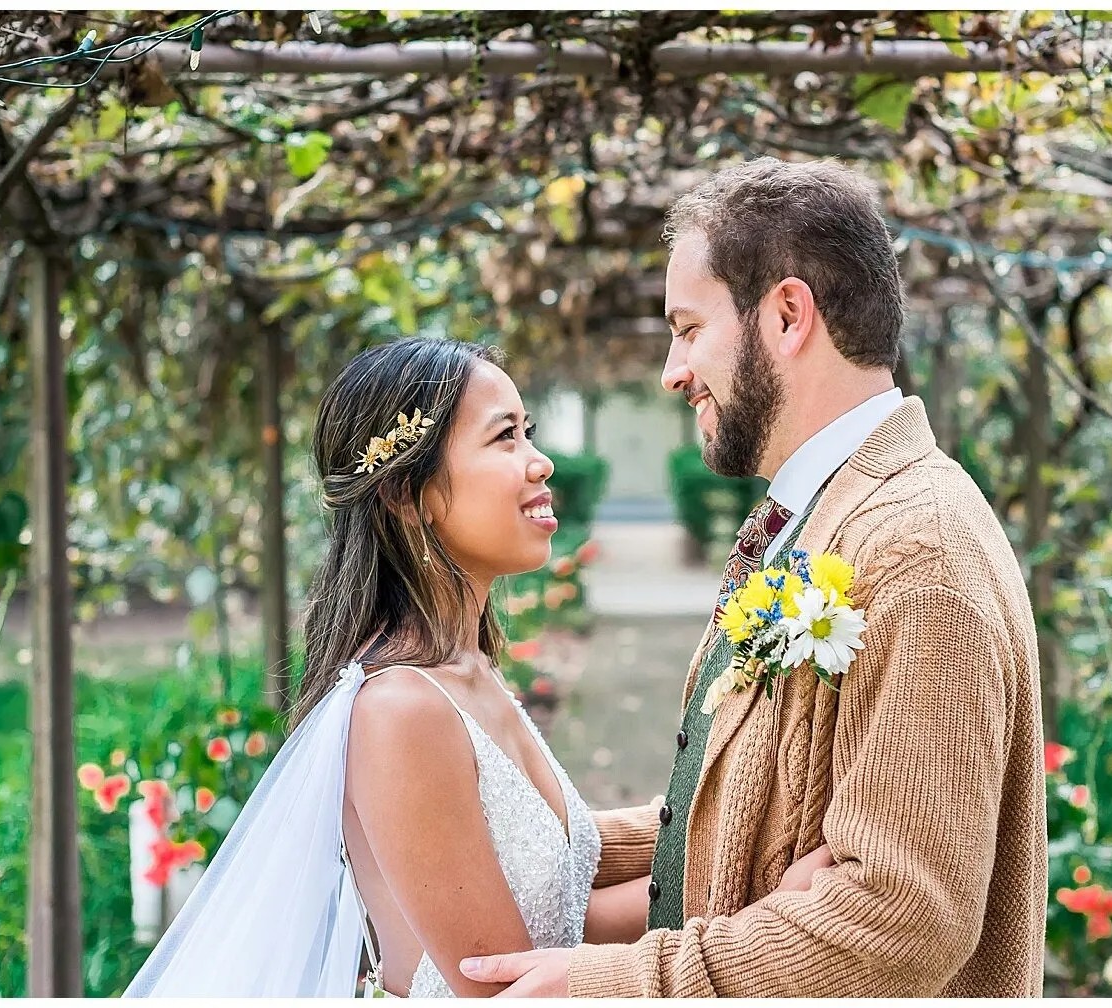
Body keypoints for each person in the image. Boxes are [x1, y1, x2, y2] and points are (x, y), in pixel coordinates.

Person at [459, 158, 1048, 997]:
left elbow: (900, 915)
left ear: (786, 314)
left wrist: (620, 985)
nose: (672, 371)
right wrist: (540, 846)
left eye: (689, 329)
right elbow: (748, 801)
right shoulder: (825, 513)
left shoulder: (920, 549)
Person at [125, 336, 831, 998]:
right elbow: (504, 981)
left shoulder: (465, 670)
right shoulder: (403, 709)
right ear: (410, 495)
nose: (540, 460)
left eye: (528, 430)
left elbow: (554, 924)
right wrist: (764, 907)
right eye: (504, 437)